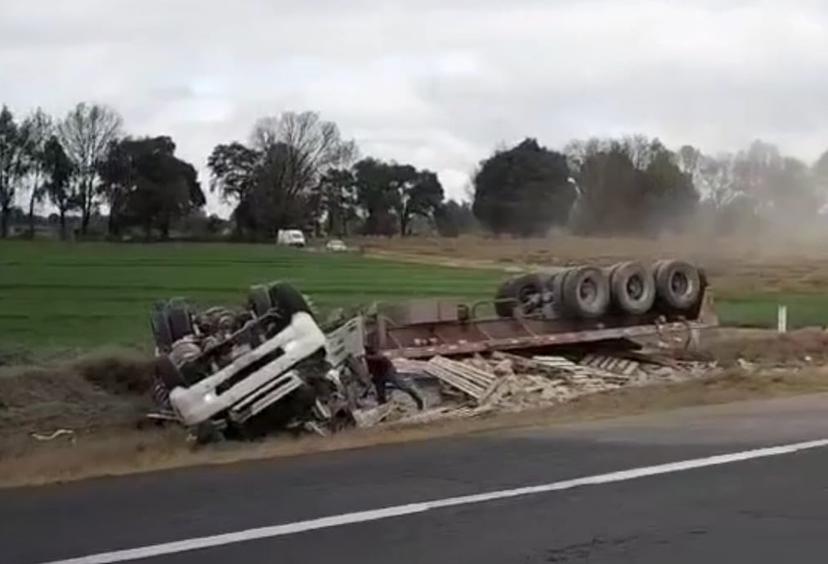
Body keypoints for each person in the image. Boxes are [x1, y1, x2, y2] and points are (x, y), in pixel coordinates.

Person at [349, 345, 425, 410]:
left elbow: (379, 357)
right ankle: (383, 409)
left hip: (388, 372)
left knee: (402, 386)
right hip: (378, 376)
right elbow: (369, 368)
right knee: (381, 394)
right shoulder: (368, 359)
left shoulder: (377, 355)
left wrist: (365, 357)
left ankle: (418, 399)